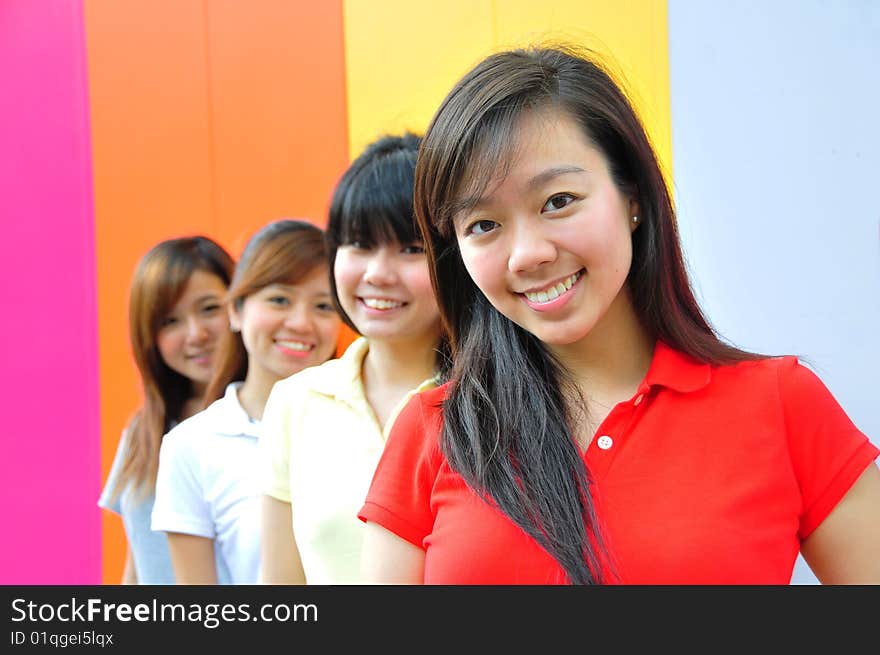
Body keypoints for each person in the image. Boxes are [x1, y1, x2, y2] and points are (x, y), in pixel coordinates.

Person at [357, 45, 880, 584]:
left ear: (631, 195)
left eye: (558, 201)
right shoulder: (433, 430)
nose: (526, 253)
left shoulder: (782, 404)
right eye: (483, 225)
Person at [259, 133, 447, 584]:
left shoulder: (498, 398)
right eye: (360, 244)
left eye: (411, 249)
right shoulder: (296, 400)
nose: (377, 274)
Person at [151, 219, 341, 584]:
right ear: (235, 310)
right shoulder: (190, 447)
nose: (301, 323)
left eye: (323, 306)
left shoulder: (370, 420)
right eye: (279, 300)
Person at [98, 236, 235, 584]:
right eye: (170, 321)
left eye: (209, 308)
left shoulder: (262, 421)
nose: (195, 334)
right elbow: (139, 560)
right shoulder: (143, 431)